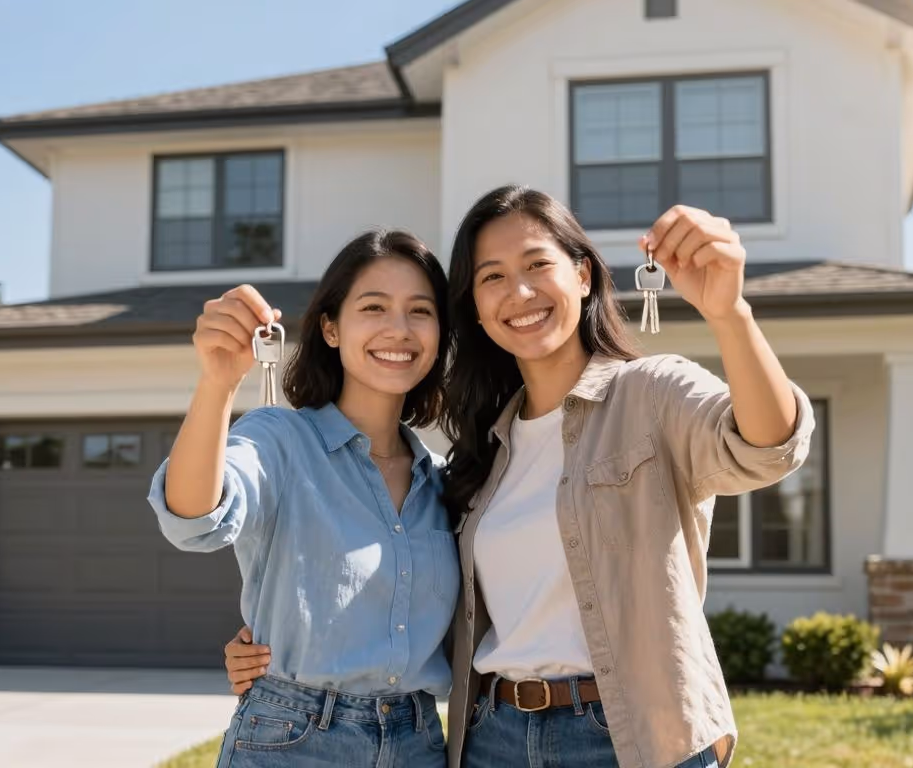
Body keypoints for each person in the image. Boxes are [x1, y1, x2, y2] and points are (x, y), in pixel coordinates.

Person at [225, 186, 816, 768]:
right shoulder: (479, 456)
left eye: (537, 264)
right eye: (493, 277)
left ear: (583, 275)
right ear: (476, 311)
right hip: (494, 738)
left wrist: (729, 314)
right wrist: (280, 651)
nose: (520, 291)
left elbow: (768, 447)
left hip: (632, 735)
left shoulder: (651, 393)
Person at [148, 229, 458, 767]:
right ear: (331, 328)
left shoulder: (447, 481)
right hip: (294, 741)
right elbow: (193, 519)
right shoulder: (279, 439)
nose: (399, 329)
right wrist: (218, 382)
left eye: (420, 311)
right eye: (374, 307)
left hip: (420, 743)